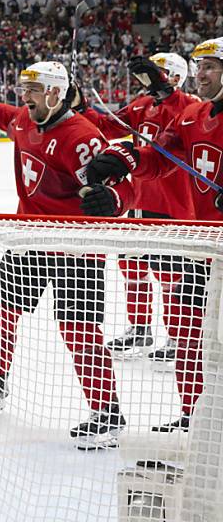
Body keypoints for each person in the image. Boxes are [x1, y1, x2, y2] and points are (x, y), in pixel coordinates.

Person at [0, 61, 133, 449]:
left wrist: (115, 200)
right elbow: (5, 115)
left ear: (55, 93)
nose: (25, 97)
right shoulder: (24, 120)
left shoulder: (82, 138)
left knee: (79, 331)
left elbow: (124, 185)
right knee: (0, 310)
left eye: (33, 90)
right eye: (24, 89)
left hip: (75, 248)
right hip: (29, 239)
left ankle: (107, 411)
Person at [83, 36, 223, 432]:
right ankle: (194, 417)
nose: (202, 74)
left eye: (211, 66)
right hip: (201, 249)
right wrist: (123, 158)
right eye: (200, 66)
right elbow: (159, 157)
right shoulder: (194, 117)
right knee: (187, 331)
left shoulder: (187, 107)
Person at [76, 52, 199, 360]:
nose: (147, 78)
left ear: (172, 76)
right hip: (139, 199)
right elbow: (108, 125)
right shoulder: (144, 105)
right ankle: (140, 328)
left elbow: (184, 114)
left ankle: (177, 336)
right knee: (132, 265)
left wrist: (164, 91)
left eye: (156, 73)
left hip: (172, 203)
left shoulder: (189, 105)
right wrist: (79, 106)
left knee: (170, 275)